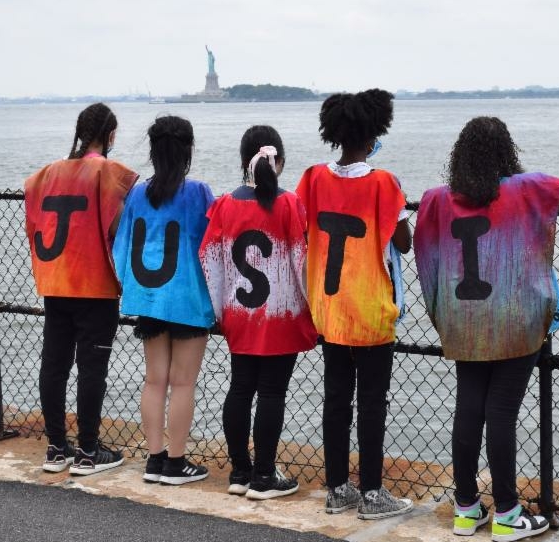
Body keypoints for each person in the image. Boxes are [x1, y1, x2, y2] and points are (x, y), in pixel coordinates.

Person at [414, 117, 559, 541]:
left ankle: (466, 510)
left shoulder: (437, 199)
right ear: (506, 153)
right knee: (501, 413)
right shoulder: (528, 188)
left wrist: (441, 315)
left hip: (464, 320)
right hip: (516, 322)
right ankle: (508, 515)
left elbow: (425, 254)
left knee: (468, 408)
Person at [294, 88, 414, 520]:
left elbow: (302, 227)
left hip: (329, 307)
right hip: (369, 308)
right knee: (372, 404)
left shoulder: (312, 178)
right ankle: (373, 493)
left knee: (336, 401)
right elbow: (404, 241)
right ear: (373, 133)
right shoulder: (383, 182)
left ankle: (337, 488)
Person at [199, 125, 317, 500]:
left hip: (239, 313)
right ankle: (265, 475)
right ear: (278, 161)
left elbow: (209, 258)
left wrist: (222, 309)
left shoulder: (224, 204)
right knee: (271, 393)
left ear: (243, 162)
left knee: (240, 387)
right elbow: (301, 262)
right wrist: (312, 309)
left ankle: (240, 471)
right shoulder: (289, 203)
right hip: (281, 315)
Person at [24, 103, 138, 476]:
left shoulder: (49, 173)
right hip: (93, 283)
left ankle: (56, 448)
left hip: (56, 281)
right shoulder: (107, 171)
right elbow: (118, 224)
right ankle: (89, 450)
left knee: (54, 364)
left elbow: (32, 208)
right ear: (110, 135)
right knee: (92, 368)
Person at [111, 116, 215, 485]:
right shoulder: (198, 192)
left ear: (153, 151)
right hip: (187, 299)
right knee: (183, 383)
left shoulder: (138, 194)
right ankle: (176, 462)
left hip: (149, 298)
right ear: (188, 150)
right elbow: (213, 245)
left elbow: (122, 246)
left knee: (154, 380)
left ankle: (154, 459)